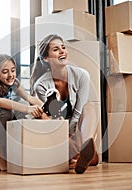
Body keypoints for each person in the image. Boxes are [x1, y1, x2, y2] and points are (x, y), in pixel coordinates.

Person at [31, 34, 99, 174]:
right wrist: (66, 136)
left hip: (78, 129)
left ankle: (85, 147)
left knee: (89, 108)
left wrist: (75, 137)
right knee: (47, 122)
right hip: (56, 128)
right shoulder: (41, 85)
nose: (62, 51)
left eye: (63, 47)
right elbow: (53, 118)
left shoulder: (81, 75)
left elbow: (79, 110)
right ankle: (78, 155)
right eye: (56, 49)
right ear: (46, 58)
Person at [0, 54, 44, 171]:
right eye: (5, 72)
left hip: (5, 134)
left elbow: (31, 99)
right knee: (5, 110)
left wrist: (47, 110)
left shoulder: (15, 84)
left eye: (13, 70)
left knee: (28, 107)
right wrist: (27, 109)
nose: (10, 75)